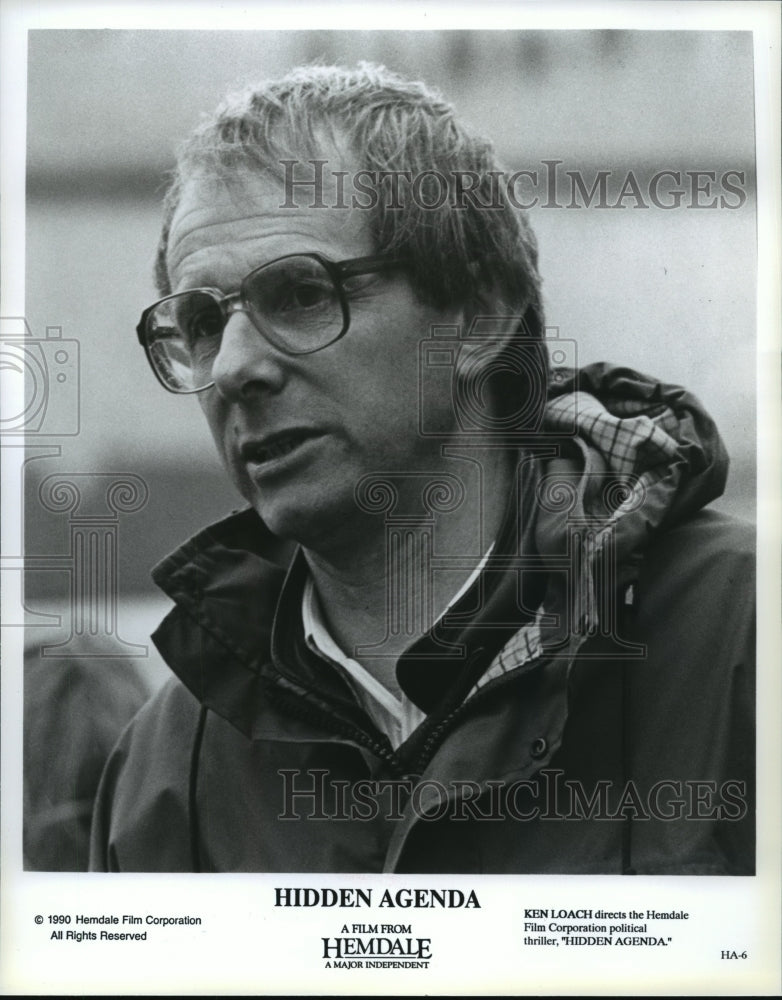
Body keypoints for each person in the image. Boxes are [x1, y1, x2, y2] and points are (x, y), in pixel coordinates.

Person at [90, 63, 754, 874]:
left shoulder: (745, 641)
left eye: (300, 294)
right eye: (199, 321)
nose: (232, 367)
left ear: (475, 318)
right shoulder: (164, 773)